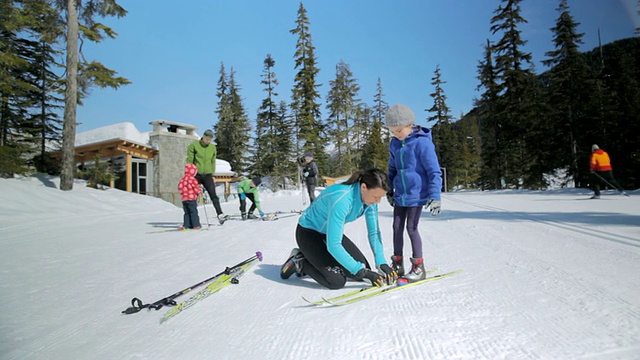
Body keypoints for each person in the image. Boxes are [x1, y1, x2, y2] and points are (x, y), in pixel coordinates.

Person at [280, 168, 398, 290]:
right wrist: (360, 271)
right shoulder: (342, 199)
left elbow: (374, 233)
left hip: (328, 233)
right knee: (336, 281)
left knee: (362, 268)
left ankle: (319, 260)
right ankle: (300, 262)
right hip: (309, 233)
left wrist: (381, 262)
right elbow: (334, 245)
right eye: (375, 197)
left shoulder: (370, 201)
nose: (377, 201)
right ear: (363, 187)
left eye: (380, 198)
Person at [385, 104, 443, 282]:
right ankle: (398, 264)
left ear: (410, 125)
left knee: (411, 228)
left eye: (399, 130)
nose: (396, 134)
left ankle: (418, 267)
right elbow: (392, 169)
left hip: (417, 195)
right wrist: (389, 189)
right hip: (400, 195)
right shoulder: (395, 144)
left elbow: (434, 171)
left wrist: (435, 196)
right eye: (392, 131)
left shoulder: (422, 142)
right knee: (396, 228)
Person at [186, 129, 228, 224]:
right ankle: (191, 218)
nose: (208, 141)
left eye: (210, 140)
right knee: (193, 196)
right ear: (203, 137)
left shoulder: (212, 147)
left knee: (213, 195)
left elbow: (213, 161)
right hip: (196, 174)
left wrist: (212, 174)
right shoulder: (194, 145)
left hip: (208, 175)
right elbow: (189, 160)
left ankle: (220, 215)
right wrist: (190, 175)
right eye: (206, 139)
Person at [177, 163, 202, 230]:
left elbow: (179, 187)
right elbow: (195, 187)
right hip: (191, 198)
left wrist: (183, 193)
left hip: (184, 199)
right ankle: (196, 225)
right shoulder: (192, 179)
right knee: (193, 211)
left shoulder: (182, 179)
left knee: (187, 212)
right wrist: (199, 191)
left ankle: (186, 225)